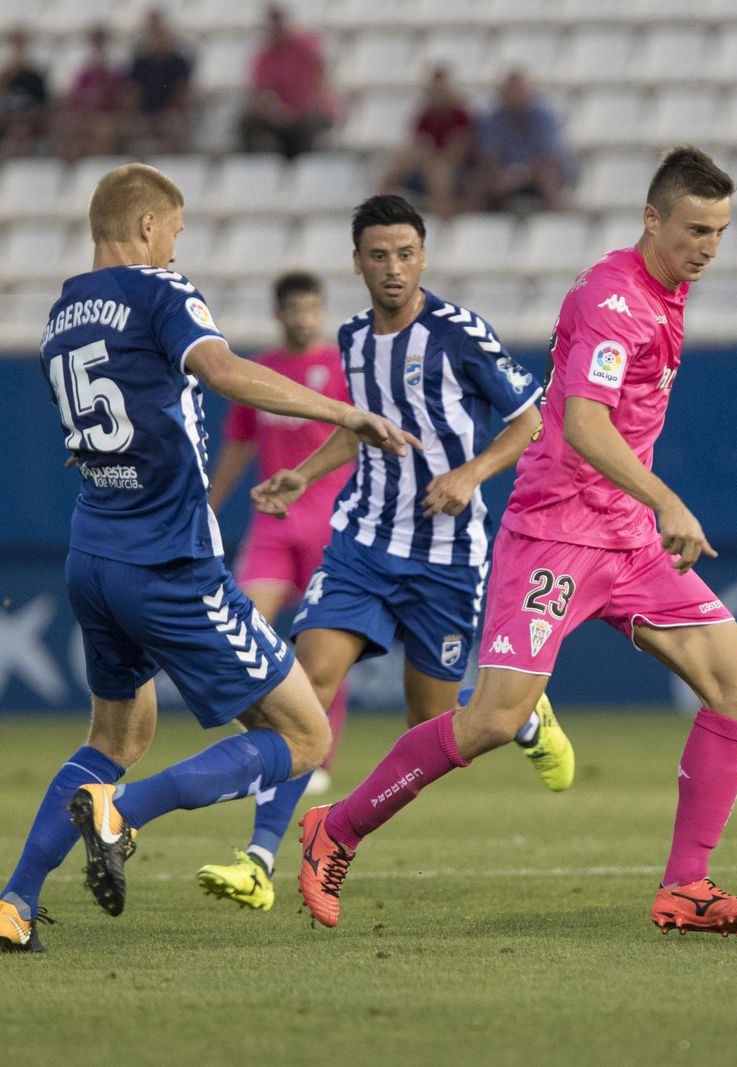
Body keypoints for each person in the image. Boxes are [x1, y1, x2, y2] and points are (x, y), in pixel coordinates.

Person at [297, 148, 737, 938]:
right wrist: (669, 501)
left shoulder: (668, 288)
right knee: (490, 720)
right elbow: (585, 425)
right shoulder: (615, 299)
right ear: (652, 219)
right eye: (695, 228)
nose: (708, 247)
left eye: (720, 231)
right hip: (555, 531)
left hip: (622, 536)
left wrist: (643, 510)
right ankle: (335, 831)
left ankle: (687, 885)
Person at [0, 163, 417, 952]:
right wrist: (343, 410)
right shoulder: (162, 291)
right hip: (169, 562)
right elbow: (222, 371)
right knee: (306, 737)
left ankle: (13, 902)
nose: (178, 249)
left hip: (93, 555)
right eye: (175, 231)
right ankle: (124, 812)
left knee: (115, 735)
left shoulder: (64, 312)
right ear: (147, 227)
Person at [191, 195, 574, 912]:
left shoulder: (460, 333)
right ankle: (259, 857)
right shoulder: (354, 339)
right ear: (357, 262)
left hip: (448, 557)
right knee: (308, 680)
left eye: (405, 254)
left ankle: (523, 718)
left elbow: (530, 420)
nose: (393, 268)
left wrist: (468, 474)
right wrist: (303, 473)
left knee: (430, 727)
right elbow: (368, 428)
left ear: (423, 257)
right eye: (378, 255)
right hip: (364, 541)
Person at [193, 271, 355, 904]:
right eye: (293, 308)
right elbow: (236, 447)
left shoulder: (339, 369)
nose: (303, 317)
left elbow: (357, 440)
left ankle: (319, 758)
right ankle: (270, 740)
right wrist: (208, 503)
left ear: (319, 310)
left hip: (327, 525)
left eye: (311, 306)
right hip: (271, 527)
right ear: (279, 311)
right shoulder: (256, 373)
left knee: (321, 647)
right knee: (240, 633)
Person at [238, 3, 338, 159]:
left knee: (310, 126)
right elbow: (258, 93)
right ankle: (257, 169)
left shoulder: (307, 48)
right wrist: (274, 110)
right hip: (278, 116)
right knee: (248, 122)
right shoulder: (263, 56)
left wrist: (299, 110)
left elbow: (320, 84)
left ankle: (303, 168)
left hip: (307, 112)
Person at [379, 66, 475, 220]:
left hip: (457, 168)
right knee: (399, 160)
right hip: (429, 163)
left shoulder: (460, 115)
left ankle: (445, 220)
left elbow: (457, 152)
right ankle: (381, 208)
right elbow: (417, 144)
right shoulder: (425, 115)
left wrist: (429, 155)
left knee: (438, 172)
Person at [471, 70, 571, 213]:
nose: (513, 95)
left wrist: (518, 176)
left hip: (535, 173)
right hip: (503, 174)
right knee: (480, 180)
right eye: (509, 90)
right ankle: (477, 227)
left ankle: (558, 223)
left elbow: (546, 157)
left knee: (548, 175)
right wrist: (502, 176)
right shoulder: (493, 118)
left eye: (517, 90)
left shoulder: (543, 115)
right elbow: (488, 157)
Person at [127, 8, 194, 154]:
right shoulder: (140, 62)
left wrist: (165, 115)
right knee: (127, 127)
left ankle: (172, 166)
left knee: (173, 125)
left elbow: (181, 94)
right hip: (145, 114)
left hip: (168, 113)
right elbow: (133, 94)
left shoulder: (178, 62)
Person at [58, 25, 126, 160]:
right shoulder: (84, 71)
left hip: (108, 115)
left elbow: (119, 96)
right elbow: (76, 96)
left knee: (103, 131)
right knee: (68, 126)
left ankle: (96, 165)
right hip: (85, 114)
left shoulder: (115, 69)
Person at [0, 28, 50, 158]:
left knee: (21, 130)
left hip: (29, 119)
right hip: (7, 118)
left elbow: (42, 103)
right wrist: (5, 77)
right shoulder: (3, 75)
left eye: (21, 46)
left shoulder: (34, 76)